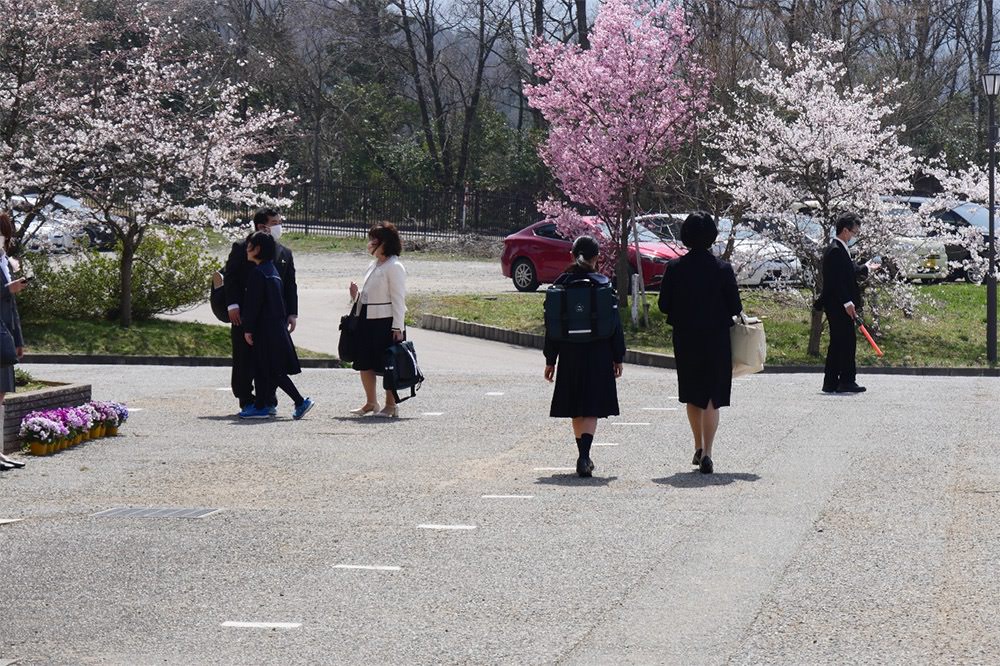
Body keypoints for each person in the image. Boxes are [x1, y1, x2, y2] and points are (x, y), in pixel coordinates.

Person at [658, 212, 743, 475]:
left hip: (686, 338)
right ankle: (708, 452)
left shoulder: (674, 268)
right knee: (711, 398)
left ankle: (697, 446)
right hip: (716, 337)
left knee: (693, 394)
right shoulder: (723, 268)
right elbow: (735, 306)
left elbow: (663, 305)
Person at [543, 236, 625, 478]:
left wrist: (550, 360)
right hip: (598, 351)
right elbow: (615, 325)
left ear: (572, 255)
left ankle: (582, 454)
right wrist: (618, 356)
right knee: (590, 406)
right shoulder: (603, 285)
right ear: (596, 258)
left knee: (576, 405)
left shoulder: (561, 285)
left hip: (569, 353)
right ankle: (585, 456)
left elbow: (552, 326)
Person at [224, 208, 298, 415]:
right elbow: (230, 277)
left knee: (269, 359)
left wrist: (292, 312)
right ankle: (246, 399)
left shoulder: (284, 252)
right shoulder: (242, 248)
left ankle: (268, 400)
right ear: (261, 226)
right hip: (245, 314)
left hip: (273, 317)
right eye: (274, 222)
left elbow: (290, 285)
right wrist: (233, 305)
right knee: (243, 357)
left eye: (279, 221)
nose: (278, 226)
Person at [238, 232, 313, 420]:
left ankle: (299, 401)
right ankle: (262, 405)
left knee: (273, 370)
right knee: (264, 369)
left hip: (265, 330)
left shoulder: (258, 274)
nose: (247, 249)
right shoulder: (272, 271)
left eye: (250, 246)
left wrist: (248, 328)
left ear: (258, 249)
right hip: (275, 328)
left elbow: (254, 305)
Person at [348, 222, 407, 418]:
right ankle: (371, 402)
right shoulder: (373, 265)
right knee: (365, 362)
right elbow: (368, 295)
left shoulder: (394, 266)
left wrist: (397, 327)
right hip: (368, 320)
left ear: (385, 242)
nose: (371, 243)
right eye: (371, 238)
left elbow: (398, 298)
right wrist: (355, 296)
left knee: (388, 364)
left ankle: (391, 405)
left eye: (375, 239)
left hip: (386, 322)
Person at [817, 213, 869, 394]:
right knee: (845, 342)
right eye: (853, 232)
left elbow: (850, 270)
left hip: (840, 303)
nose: (854, 235)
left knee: (839, 342)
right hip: (839, 304)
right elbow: (837, 280)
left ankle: (831, 382)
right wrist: (848, 302)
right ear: (845, 230)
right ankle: (846, 380)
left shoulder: (840, 248)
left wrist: (867, 268)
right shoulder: (835, 250)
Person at [0, 211, 27, 471]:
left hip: (4, 336)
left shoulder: (4, 262)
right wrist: (8, 289)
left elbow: (12, 307)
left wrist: (19, 339)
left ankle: (0, 452)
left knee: (2, 394)